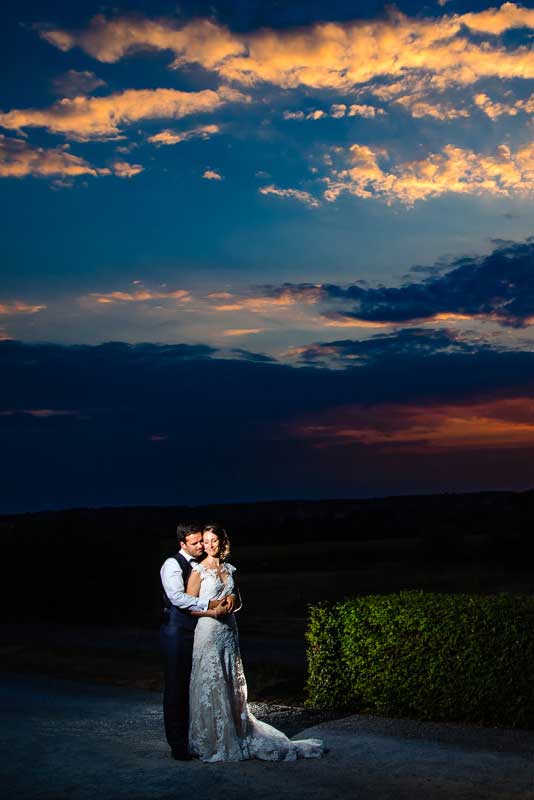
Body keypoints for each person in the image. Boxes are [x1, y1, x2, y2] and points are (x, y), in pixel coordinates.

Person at [186, 523, 324, 762]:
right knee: (211, 681)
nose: (210, 545)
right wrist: (212, 613)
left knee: (230, 680)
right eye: (206, 541)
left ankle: (237, 730)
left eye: (214, 541)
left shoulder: (229, 569)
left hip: (229, 631)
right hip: (208, 631)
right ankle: (212, 738)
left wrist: (231, 600)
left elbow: (238, 601)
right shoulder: (198, 571)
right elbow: (189, 607)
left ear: (222, 542)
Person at [160, 522, 234, 760]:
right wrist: (211, 606)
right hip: (178, 633)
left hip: (202, 633)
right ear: (182, 544)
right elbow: (177, 599)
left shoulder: (211, 563)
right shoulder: (172, 565)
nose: (201, 545)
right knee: (177, 687)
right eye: (196, 543)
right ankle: (177, 743)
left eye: (202, 541)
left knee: (200, 684)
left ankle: (202, 735)